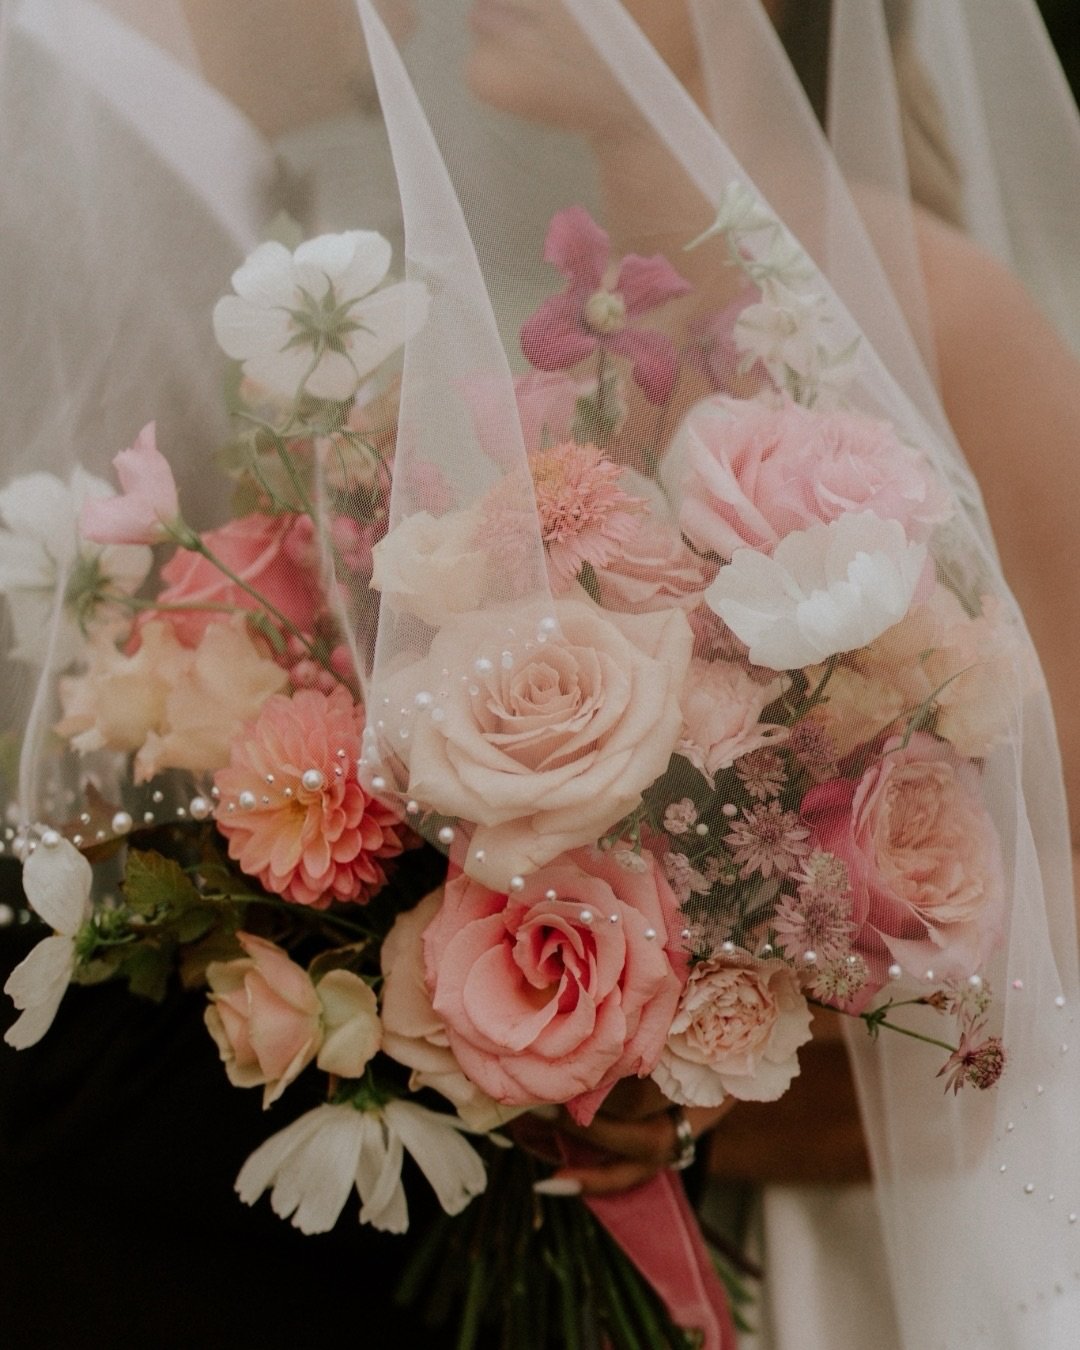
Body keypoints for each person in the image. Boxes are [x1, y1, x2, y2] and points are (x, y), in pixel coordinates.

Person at [2, 3, 1080, 1348]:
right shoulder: (526, 327)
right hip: (628, 1230)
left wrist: (714, 1077)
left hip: (890, 1236)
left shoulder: (944, 313)